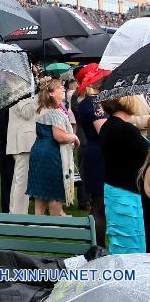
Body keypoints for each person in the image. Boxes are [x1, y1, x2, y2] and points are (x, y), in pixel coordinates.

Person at [98, 95, 148, 253]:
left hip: (115, 190)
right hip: (127, 194)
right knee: (132, 243)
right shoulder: (124, 129)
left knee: (121, 241)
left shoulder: (110, 126)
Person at [27, 77, 79, 216]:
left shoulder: (41, 109)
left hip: (38, 150)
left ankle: (39, 224)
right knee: (55, 190)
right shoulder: (55, 113)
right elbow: (59, 136)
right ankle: (55, 225)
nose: (63, 89)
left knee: (40, 192)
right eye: (60, 88)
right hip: (51, 153)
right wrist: (74, 136)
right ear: (51, 93)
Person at [72, 65, 108, 242]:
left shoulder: (91, 101)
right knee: (99, 203)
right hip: (99, 154)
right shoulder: (92, 102)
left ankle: (98, 244)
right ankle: (98, 246)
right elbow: (104, 130)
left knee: (100, 203)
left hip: (97, 152)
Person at [7, 91, 37, 214]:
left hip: (23, 140)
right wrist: (38, 97)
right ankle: (18, 215)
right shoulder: (17, 90)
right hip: (22, 141)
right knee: (22, 181)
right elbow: (27, 112)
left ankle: (15, 213)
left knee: (19, 180)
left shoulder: (21, 90)